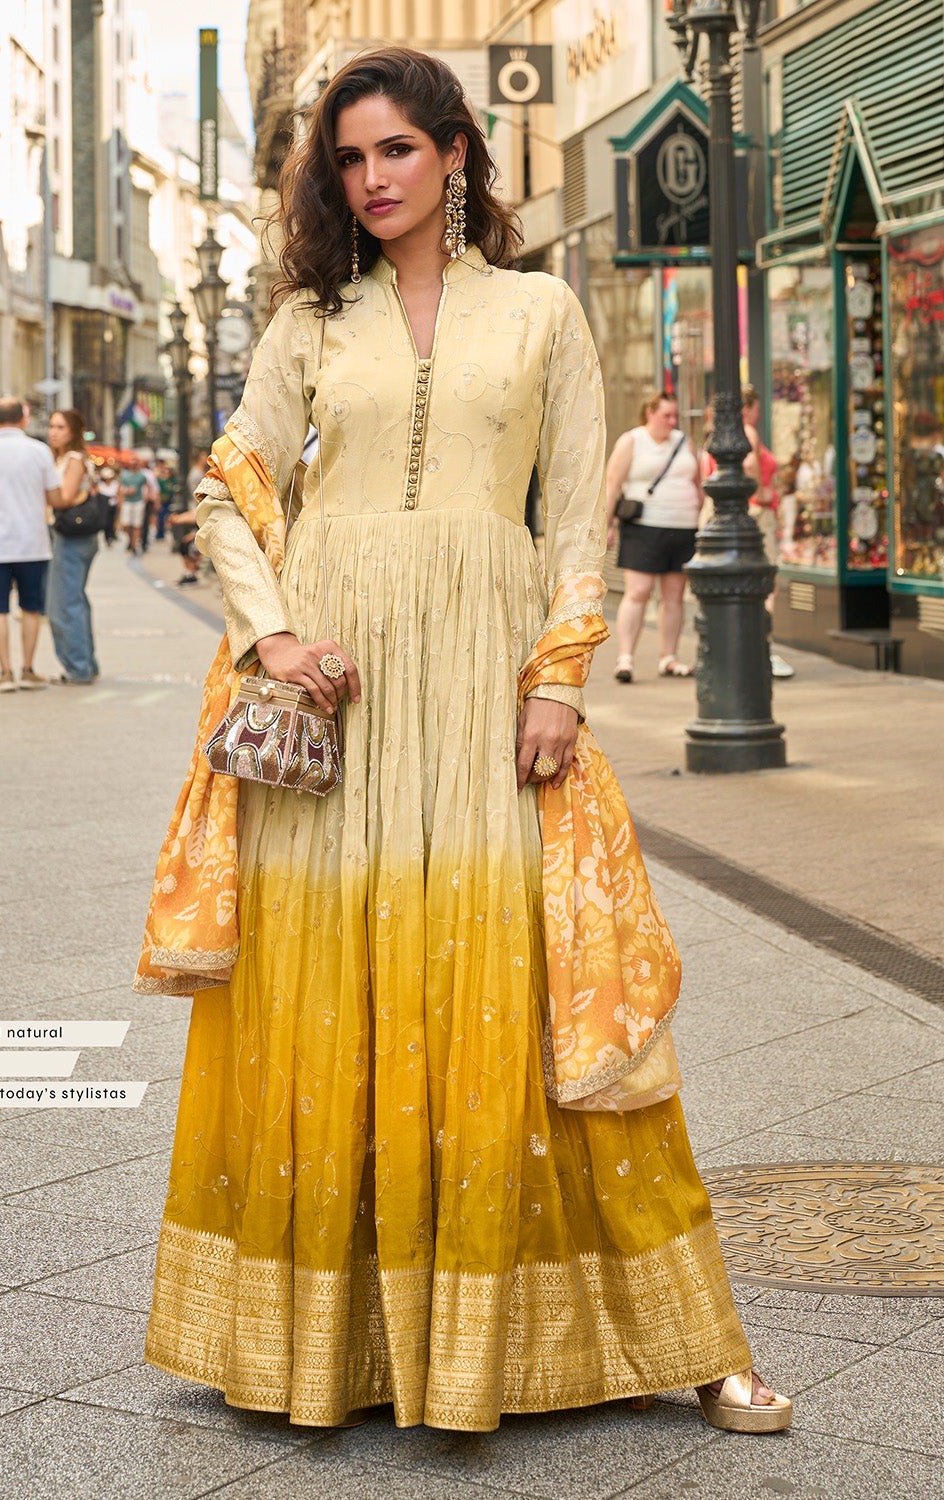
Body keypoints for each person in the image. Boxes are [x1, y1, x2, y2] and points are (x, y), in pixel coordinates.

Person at [135, 47, 790, 1436]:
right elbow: (229, 492)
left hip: (487, 684)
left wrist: (559, 678)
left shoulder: (546, 311)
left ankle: (666, 1333)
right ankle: (330, 1348)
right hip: (338, 699)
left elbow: (572, 526)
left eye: (397, 153)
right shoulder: (311, 321)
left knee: (531, 987)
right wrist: (272, 639)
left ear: (458, 155)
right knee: (334, 992)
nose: (372, 181)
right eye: (351, 159)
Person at [605, 392, 702, 682]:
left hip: (683, 527)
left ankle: (669, 657)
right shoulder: (632, 441)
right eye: (666, 415)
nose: (672, 421)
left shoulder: (684, 442)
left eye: (675, 416)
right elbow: (612, 485)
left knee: (673, 596)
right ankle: (625, 659)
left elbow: (697, 485)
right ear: (650, 412)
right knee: (638, 592)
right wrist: (607, 525)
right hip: (644, 527)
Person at [0, 397, 61, 692]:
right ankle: (28, 669)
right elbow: (54, 495)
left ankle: (5, 672)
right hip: (32, 542)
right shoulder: (39, 450)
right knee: (31, 608)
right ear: (24, 420)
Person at [742, 386, 794, 680]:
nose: (759, 415)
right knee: (766, 583)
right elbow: (750, 463)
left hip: (746, 512)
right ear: (746, 409)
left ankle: (752, 647)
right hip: (758, 513)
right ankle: (762, 647)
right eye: (757, 409)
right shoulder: (747, 431)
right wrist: (761, 491)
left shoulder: (717, 435)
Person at [47, 408, 99, 685]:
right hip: (75, 537)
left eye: (61, 427)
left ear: (74, 432)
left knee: (65, 604)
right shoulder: (66, 458)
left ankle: (79, 667)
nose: (53, 432)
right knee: (74, 601)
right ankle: (86, 663)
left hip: (72, 537)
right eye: (52, 426)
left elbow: (65, 498)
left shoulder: (74, 459)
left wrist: (40, 490)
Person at [117, 458, 146, 553]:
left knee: (137, 524)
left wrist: (145, 499)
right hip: (127, 501)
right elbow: (120, 489)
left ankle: (135, 544)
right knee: (127, 524)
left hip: (138, 501)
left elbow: (146, 487)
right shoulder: (125, 475)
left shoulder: (141, 476)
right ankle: (130, 541)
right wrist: (123, 497)